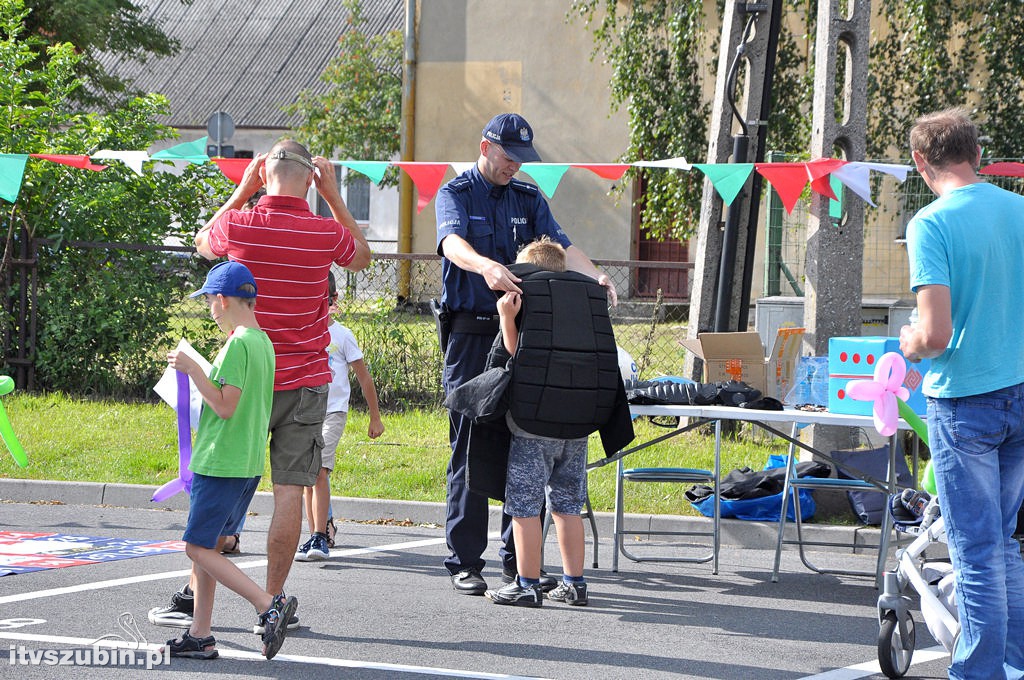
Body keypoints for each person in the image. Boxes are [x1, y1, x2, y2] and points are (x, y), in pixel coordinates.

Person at [191, 139, 371, 628]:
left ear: (262, 172)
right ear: (311, 178)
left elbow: (203, 241)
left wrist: (240, 191)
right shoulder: (322, 232)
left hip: (248, 379)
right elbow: (362, 258)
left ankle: (195, 593)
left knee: (223, 477)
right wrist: (334, 198)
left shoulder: (243, 223)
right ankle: (272, 601)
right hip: (306, 382)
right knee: (290, 491)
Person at [435, 112, 617, 596]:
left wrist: (594, 277)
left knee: (524, 445)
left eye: (522, 159)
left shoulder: (529, 196)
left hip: (521, 331)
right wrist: (486, 267)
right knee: (471, 445)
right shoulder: (456, 192)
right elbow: (451, 244)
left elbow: (562, 244)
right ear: (485, 147)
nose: (515, 165)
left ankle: (522, 568)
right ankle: (464, 561)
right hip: (472, 333)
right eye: (508, 156)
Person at [899, 107, 1024, 679]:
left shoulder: (931, 223)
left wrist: (909, 343)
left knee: (975, 551)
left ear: (922, 162)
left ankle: (977, 673)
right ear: (977, 154)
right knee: (1004, 543)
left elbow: (935, 333)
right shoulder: (1019, 210)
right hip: (1021, 391)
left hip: (965, 403)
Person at [160, 260, 295, 660]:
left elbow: (224, 406)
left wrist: (191, 369)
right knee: (210, 547)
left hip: (221, 462)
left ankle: (267, 604)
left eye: (209, 302)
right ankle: (200, 634)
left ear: (222, 300)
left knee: (196, 549)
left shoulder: (238, 343)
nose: (209, 310)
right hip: (245, 462)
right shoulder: (263, 341)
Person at [481, 237, 612, 607]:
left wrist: (507, 317)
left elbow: (515, 354)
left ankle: (526, 583)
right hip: (576, 425)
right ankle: (575, 583)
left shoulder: (530, 301)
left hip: (532, 425)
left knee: (524, 505)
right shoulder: (584, 305)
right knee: (568, 506)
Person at [295, 271, 385, 561]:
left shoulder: (342, 335)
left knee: (319, 469)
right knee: (310, 475)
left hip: (332, 412)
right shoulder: (301, 331)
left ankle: (320, 536)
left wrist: (375, 417)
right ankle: (316, 534)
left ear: (332, 300)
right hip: (306, 411)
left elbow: (364, 378)